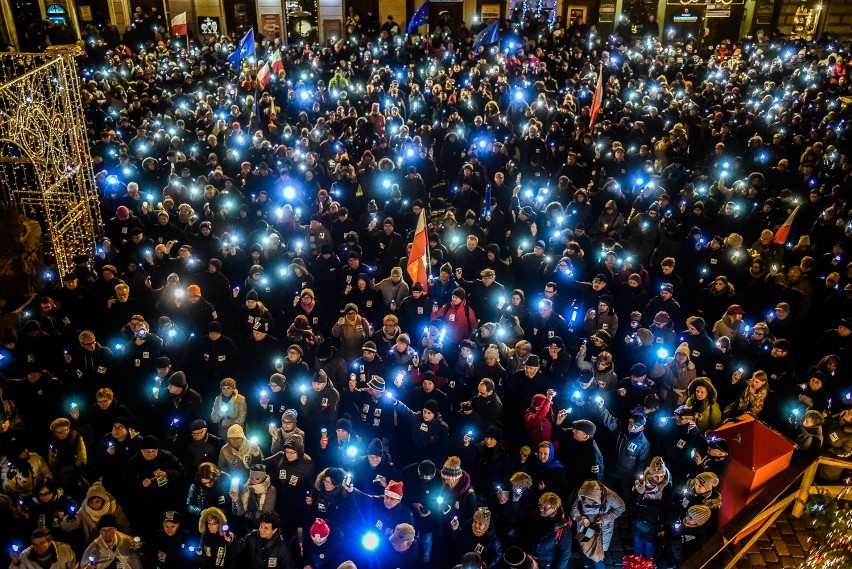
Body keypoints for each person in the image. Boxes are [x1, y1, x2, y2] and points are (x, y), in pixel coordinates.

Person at [569, 481, 625, 569]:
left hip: (601, 529)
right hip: (585, 527)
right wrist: (580, 518)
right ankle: (586, 565)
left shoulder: (610, 496)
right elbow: (574, 508)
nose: (588, 507)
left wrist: (605, 518)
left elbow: (621, 507)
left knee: (597, 553)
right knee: (584, 546)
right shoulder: (582, 494)